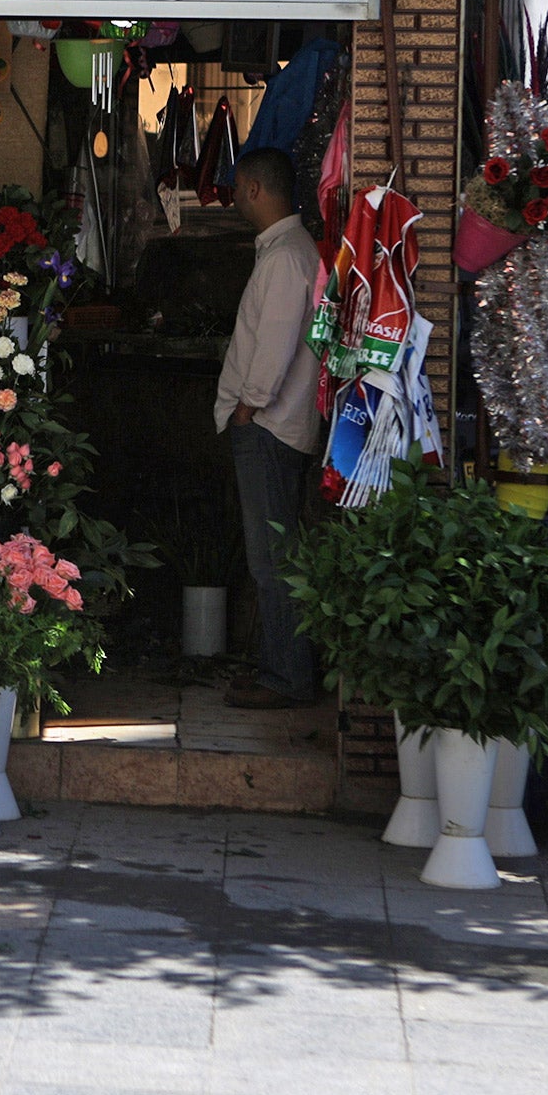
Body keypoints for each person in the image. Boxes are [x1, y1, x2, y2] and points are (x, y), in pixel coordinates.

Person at [215, 148, 323, 710]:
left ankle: (287, 677)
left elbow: (275, 349)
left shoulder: (285, 256)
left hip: (269, 428)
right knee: (274, 555)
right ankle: (278, 668)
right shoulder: (288, 251)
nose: (234, 199)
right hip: (272, 425)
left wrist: (246, 409)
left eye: (237, 189)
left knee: (273, 558)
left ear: (255, 189)